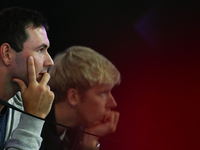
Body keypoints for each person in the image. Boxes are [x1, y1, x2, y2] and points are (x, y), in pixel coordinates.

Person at [40, 46, 120, 150]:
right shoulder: (33, 127)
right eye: (103, 93)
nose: (112, 103)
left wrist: (90, 141)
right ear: (73, 97)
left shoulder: (74, 133)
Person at [0, 7, 54, 149]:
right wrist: (33, 119)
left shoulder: (23, 103)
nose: (50, 62)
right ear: (7, 53)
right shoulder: (31, 109)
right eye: (40, 50)